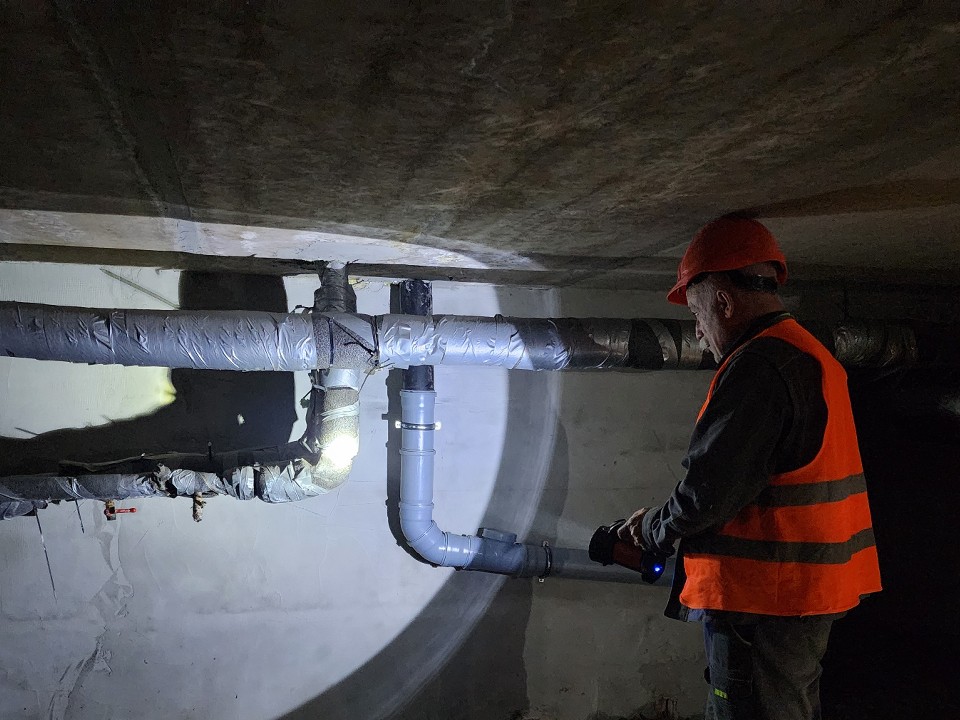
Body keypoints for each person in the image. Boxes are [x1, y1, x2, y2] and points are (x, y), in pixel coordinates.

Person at [618, 217, 882, 720]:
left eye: (697, 313)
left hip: (765, 601)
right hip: (800, 596)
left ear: (724, 302)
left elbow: (707, 494)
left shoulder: (761, 366)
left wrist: (652, 528)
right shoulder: (811, 355)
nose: (697, 330)